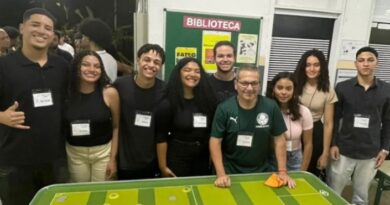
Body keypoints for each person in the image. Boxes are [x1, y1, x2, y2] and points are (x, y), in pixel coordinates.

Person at [0, 8, 68, 205]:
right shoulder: (4, 66)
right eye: (35, 25)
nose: (42, 31)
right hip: (15, 161)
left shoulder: (62, 66)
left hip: (55, 160)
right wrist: (1, 116)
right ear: (22, 28)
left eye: (48, 28)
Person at [209, 64, 295, 188]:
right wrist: (221, 174)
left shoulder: (271, 107)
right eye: (244, 83)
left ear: (259, 85)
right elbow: (215, 141)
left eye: (254, 83)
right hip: (230, 172)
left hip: (262, 172)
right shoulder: (224, 108)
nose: (249, 88)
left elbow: (279, 139)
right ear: (235, 84)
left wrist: (282, 172)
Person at [328, 46, 390, 205]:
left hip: (370, 152)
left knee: (361, 196)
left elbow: (388, 121)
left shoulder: (386, 90)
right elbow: (334, 118)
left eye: (370, 60)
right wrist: (333, 143)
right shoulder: (342, 87)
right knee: (333, 192)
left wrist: (385, 149)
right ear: (355, 64)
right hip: (343, 150)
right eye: (361, 60)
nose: (366, 64)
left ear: (377, 63)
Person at [156, 57, 218, 177]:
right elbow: (161, 138)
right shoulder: (168, 103)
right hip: (178, 157)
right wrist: (162, 167)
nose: (192, 74)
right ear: (179, 73)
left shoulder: (208, 100)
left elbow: (212, 133)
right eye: (187, 70)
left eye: (197, 71)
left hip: (202, 157)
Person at [64, 50, 119, 182]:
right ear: (77, 67)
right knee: (80, 195)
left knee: (102, 194)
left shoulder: (109, 93)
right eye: (86, 65)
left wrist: (112, 159)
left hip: (102, 153)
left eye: (97, 66)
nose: (92, 69)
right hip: (75, 154)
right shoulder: (66, 93)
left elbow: (116, 127)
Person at [114, 43, 166, 180]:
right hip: (125, 162)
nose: (151, 65)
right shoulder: (120, 85)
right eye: (146, 59)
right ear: (138, 60)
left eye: (156, 62)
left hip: (152, 161)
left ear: (161, 66)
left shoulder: (165, 90)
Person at [294, 49, 337, 179]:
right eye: (308, 65)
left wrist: (325, 153)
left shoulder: (327, 90)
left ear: (322, 67)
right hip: (293, 129)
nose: (312, 69)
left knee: (309, 171)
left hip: (315, 133)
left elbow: (328, 124)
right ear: (303, 67)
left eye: (316, 65)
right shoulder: (294, 85)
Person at [266, 72, 313, 171]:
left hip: (295, 158)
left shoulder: (304, 111)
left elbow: (308, 143)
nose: (284, 92)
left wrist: (303, 170)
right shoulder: (266, 110)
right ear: (273, 89)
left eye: (288, 88)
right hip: (271, 158)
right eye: (279, 88)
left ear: (294, 90)